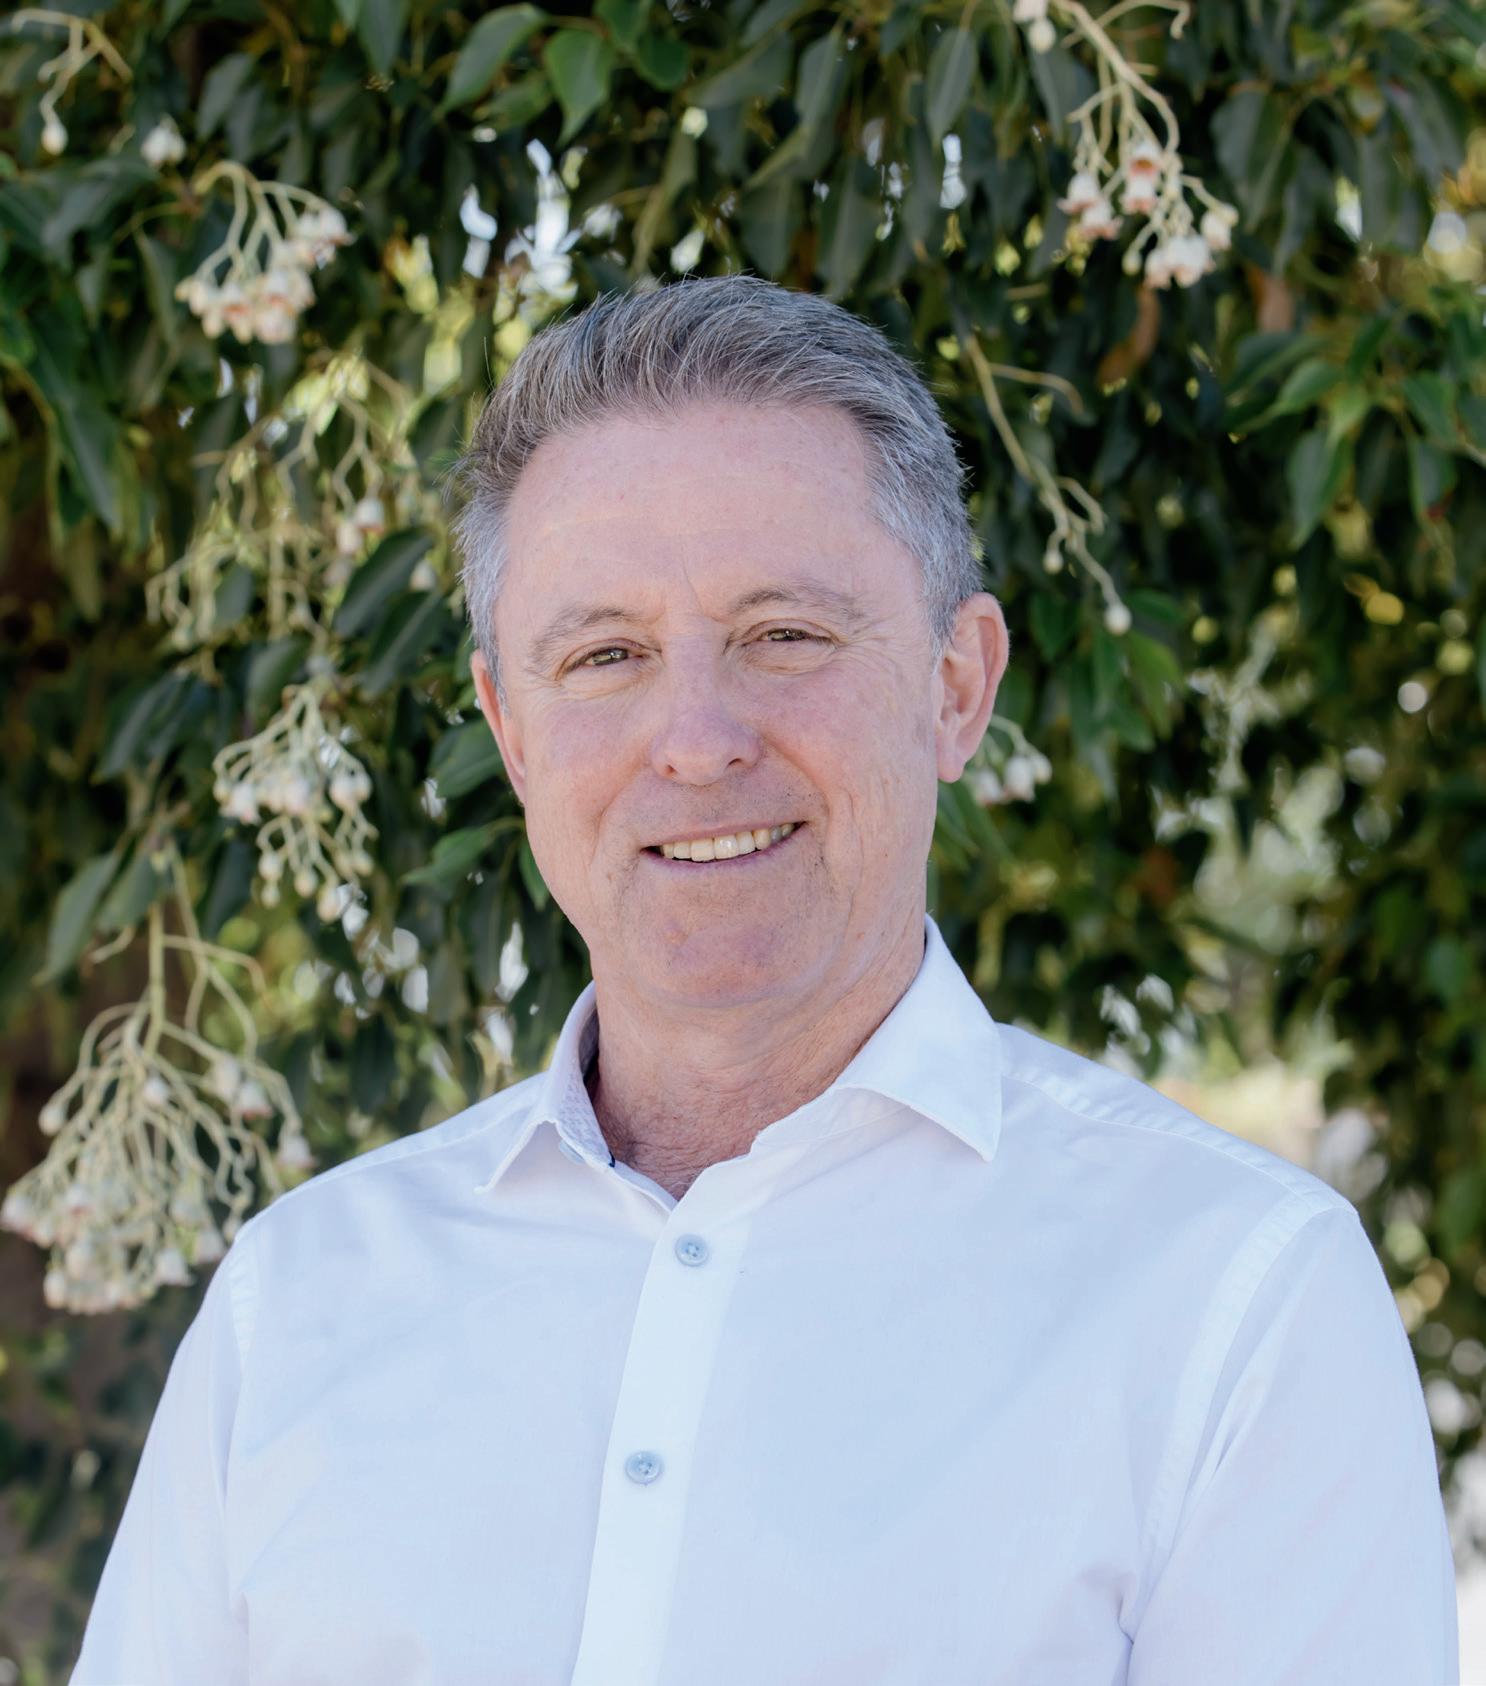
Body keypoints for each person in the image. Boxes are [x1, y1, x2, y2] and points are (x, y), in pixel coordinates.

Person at [71, 274, 1458, 1685]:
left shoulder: (1234, 1298)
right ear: (512, 733)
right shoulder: (296, 1300)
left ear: (956, 685)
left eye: (783, 635)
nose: (696, 739)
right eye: (605, 654)